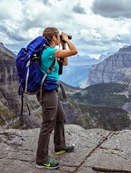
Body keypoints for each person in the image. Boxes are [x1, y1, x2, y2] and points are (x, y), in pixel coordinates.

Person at [35, 27, 78, 169]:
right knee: (48, 124)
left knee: (60, 118)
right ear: (54, 37)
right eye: (58, 36)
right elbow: (74, 52)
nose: (60, 38)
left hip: (52, 90)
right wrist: (65, 39)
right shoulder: (49, 51)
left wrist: (63, 44)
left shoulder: (52, 52)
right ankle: (41, 159)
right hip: (47, 92)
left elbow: (65, 63)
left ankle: (59, 146)